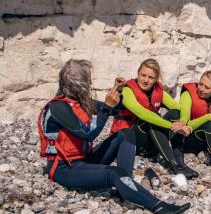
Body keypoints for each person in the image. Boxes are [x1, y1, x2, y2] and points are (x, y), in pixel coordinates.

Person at [38, 59, 190, 214]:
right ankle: (159, 207)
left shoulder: (80, 101)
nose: (90, 83)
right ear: (78, 84)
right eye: (88, 80)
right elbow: (88, 134)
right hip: (65, 168)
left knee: (126, 133)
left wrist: (117, 91)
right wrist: (107, 108)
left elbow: (116, 109)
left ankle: (126, 185)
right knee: (114, 173)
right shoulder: (57, 107)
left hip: (85, 158)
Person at [110, 58, 198, 178]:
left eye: (151, 77)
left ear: (156, 79)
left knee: (175, 113)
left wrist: (182, 122)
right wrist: (172, 126)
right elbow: (142, 114)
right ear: (138, 73)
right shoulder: (127, 90)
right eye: (143, 75)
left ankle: (181, 162)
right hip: (129, 143)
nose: (146, 80)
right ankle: (174, 165)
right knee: (152, 118)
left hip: (150, 145)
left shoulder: (158, 92)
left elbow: (178, 108)